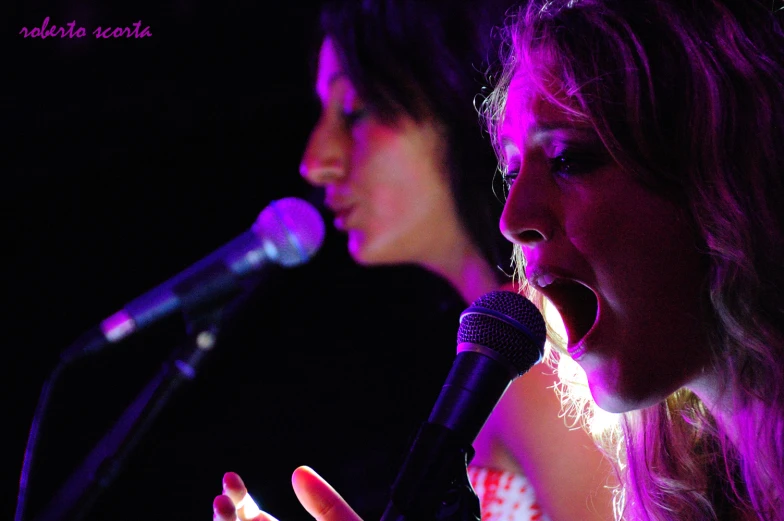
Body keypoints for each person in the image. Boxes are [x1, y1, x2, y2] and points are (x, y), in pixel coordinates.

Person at [212, 0, 784, 520]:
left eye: (357, 111)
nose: (316, 162)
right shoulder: (672, 460)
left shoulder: (549, 378)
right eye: (512, 170)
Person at [214, 0, 614, 520]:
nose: (316, 162)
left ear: (461, 103)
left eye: (355, 111)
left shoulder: (541, 356)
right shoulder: (507, 347)